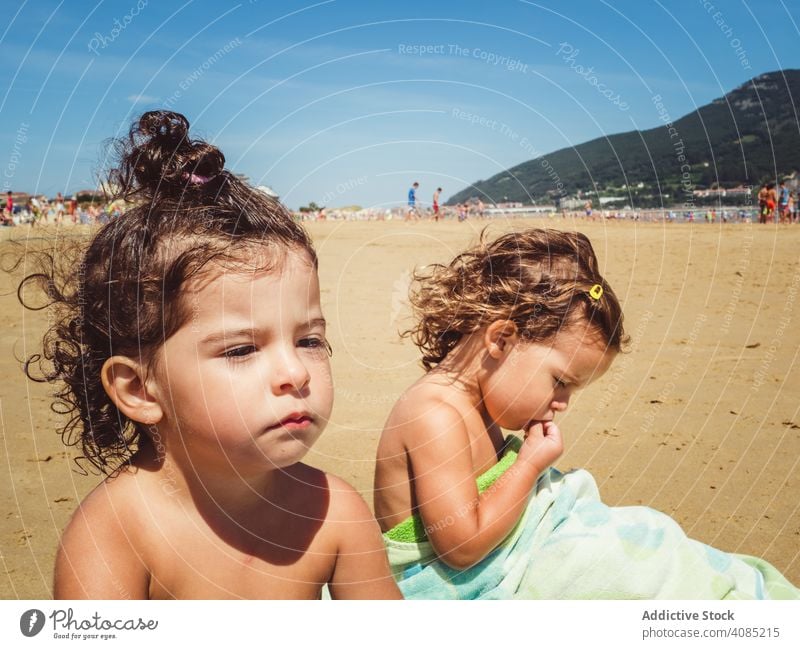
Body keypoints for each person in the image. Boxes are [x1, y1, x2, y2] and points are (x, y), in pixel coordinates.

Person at [19, 111, 400, 600]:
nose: (295, 372)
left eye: (309, 340)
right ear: (138, 389)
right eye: (241, 349)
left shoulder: (335, 513)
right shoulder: (116, 536)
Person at [374, 228, 799, 599]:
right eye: (560, 381)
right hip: (450, 585)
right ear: (502, 339)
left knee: (653, 538)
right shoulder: (435, 414)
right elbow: (462, 546)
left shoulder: (473, 403)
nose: (562, 403)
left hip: (506, 551)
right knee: (620, 568)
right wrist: (527, 464)